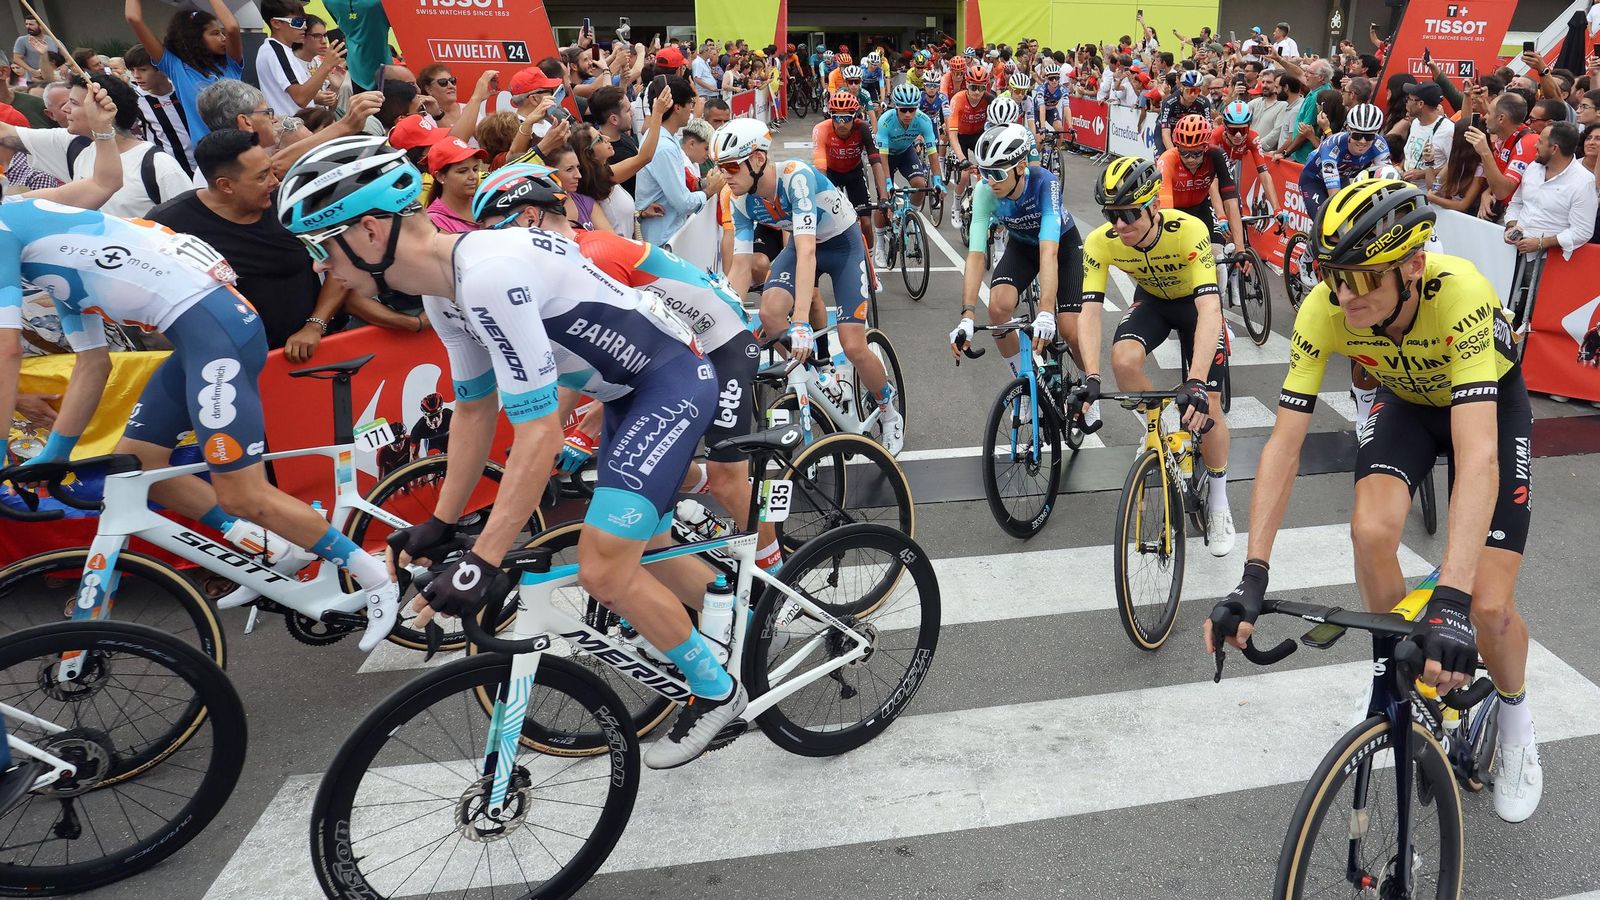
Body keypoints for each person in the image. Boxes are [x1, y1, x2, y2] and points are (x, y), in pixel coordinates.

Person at [279, 136, 741, 769]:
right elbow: (474, 409)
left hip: (670, 379)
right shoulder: (444, 289)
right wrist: (442, 522)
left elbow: (539, 434)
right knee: (649, 553)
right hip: (623, 392)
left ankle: (717, 692)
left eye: (319, 247)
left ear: (368, 232)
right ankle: (744, 620)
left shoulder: (489, 275)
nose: (317, 267)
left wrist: (483, 559)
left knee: (604, 569)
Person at [1207, 179, 1541, 824]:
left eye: (1363, 280)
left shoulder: (1461, 293)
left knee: (1489, 606)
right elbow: (1284, 445)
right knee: (1369, 531)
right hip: (1406, 404)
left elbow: (1478, 457)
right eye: (1334, 277)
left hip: (1488, 410)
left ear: (1412, 267)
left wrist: (1453, 603)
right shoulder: (1324, 309)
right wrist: (1253, 573)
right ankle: (1397, 671)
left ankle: (1518, 725)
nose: (1345, 296)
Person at [473, 163, 779, 571]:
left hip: (721, 341)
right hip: (677, 349)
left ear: (530, 218)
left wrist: (580, 430)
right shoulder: (559, 262)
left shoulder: (591, 257)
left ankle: (778, 573)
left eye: (496, 235)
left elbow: (632, 355)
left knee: (728, 479)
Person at [715, 118, 906, 455]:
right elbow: (741, 267)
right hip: (804, 245)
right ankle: (818, 380)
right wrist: (723, 316)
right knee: (770, 314)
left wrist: (801, 322)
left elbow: (807, 252)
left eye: (730, 166)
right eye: (720, 167)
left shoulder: (796, 177)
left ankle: (889, 411)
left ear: (757, 159)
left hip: (843, 246)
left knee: (853, 345)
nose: (724, 176)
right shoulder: (740, 199)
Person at [1079, 157, 1236, 555]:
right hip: (1153, 303)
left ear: (1153, 206)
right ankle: (1161, 430)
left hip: (1195, 307)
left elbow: (1209, 310)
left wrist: (1196, 381)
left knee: (1208, 405)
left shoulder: (1189, 231)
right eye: (1111, 214)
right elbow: (1090, 311)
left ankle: (1220, 503)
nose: (1119, 224)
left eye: (1129, 213)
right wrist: (1091, 376)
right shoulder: (1101, 241)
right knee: (1122, 360)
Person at [148, 128, 340, 359]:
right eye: (261, 177)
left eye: (271, 170)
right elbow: (153, 298)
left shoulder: (290, 201)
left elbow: (340, 265)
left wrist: (315, 325)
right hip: (235, 363)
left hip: (316, 348)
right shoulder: (168, 224)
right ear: (225, 185)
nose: (275, 181)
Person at [948, 124, 1089, 420]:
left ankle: (1089, 386)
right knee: (998, 308)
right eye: (984, 172)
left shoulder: (1044, 183)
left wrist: (1046, 311)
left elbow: (1049, 251)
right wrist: (967, 315)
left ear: (1021, 167)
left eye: (997, 174)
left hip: (1061, 246)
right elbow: (976, 255)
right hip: (1022, 247)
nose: (989, 181)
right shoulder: (985, 191)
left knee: (1069, 328)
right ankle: (1025, 384)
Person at [0, 73, 192, 219]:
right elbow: (5, 133)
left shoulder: (158, 165)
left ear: (106, 110)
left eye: (73, 103)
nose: (65, 109)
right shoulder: (73, 145)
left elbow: (190, 226)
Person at [124, 0, 244, 144]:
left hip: (247, 145)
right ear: (195, 38)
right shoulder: (175, 67)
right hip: (210, 152)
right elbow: (134, 18)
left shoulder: (230, 63)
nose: (223, 38)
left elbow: (232, 28)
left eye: (222, 33)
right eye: (215, 33)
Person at [635, 77, 721, 245]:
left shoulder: (664, 137)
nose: (692, 109)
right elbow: (683, 203)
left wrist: (704, 184)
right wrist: (710, 190)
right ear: (677, 107)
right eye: (690, 103)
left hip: (667, 236)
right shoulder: (664, 146)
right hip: (664, 240)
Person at [813, 90, 888, 264]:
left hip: (854, 173)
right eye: (836, 118)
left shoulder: (863, 128)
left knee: (866, 223)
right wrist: (827, 199)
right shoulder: (821, 130)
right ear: (830, 116)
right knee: (828, 222)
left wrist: (884, 197)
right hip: (830, 174)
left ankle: (869, 265)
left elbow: (876, 163)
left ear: (855, 117)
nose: (841, 123)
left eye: (846, 118)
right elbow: (821, 172)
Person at [1504, 122, 1596, 255]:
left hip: (1550, 259)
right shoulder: (1533, 167)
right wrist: (1512, 227)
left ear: (1554, 149)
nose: (1535, 145)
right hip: (1512, 253)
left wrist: (1542, 243)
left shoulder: (1584, 182)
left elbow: (1582, 231)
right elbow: (1517, 203)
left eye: (1540, 142)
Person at [874, 84, 944, 255]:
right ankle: (880, 245)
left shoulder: (923, 120)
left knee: (920, 184)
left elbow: (932, 153)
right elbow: (882, 157)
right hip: (886, 157)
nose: (907, 114)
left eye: (911, 110)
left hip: (906, 153)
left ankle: (910, 217)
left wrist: (938, 181)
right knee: (884, 201)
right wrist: (888, 183)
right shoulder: (885, 121)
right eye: (903, 110)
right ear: (896, 108)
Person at [1159, 114, 1245, 252]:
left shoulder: (1216, 155)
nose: (1190, 159)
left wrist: (1240, 249)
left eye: (1196, 153)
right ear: (1177, 146)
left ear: (1205, 147)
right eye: (1184, 152)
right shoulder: (1167, 160)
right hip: (1175, 210)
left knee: (1217, 250)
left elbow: (1231, 201)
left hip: (1202, 207)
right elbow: (1166, 211)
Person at [1298, 103, 1391, 222]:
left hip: (1342, 179)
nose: (1362, 141)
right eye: (1357, 135)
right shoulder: (1333, 145)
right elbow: (1334, 196)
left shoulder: (1379, 145)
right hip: (1313, 181)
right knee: (1326, 221)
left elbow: (1387, 179)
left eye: (1369, 136)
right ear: (1348, 131)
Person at [255, 0, 344, 120]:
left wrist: (334, 87)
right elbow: (301, 98)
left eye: (304, 22)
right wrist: (326, 65)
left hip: (299, 124)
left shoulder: (283, 51)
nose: (304, 27)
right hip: (290, 127)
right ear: (276, 23)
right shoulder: (275, 50)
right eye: (297, 22)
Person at [123, 44, 195, 177]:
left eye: (143, 69)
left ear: (161, 67)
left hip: (202, 166)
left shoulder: (184, 88)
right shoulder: (135, 99)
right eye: (132, 70)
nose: (136, 76)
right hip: (169, 172)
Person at [1465, 92, 1538, 221]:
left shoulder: (1527, 143)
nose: (1485, 117)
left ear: (1501, 119)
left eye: (1489, 113)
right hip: (1505, 207)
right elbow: (1500, 178)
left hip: (1521, 216)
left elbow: (1502, 192)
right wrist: (1487, 192)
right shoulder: (1504, 138)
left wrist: (1485, 153)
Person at [1213, 101, 1286, 222]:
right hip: (1208, 179)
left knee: (1235, 215)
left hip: (1225, 177)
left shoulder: (1252, 138)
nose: (1238, 135)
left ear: (1249, 125)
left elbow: (1264, 175)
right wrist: (1221, 215)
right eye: (1233, 130)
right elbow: (1212, 180)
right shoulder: (1215, 137)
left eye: (1243, 130)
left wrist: (1277, 209)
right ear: (1224, 126)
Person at [1392, 82, 1454, 190]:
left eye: (1409, 99)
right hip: (1407, 189)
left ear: (1420, 104)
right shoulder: (1415, 123)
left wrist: (1422, 174)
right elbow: (1411, 154)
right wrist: (1401, 167)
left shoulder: (1448, 130)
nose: (1406, 102)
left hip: (1430, 194)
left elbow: (1454, 167)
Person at [947, 64, 992, 207]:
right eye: (973, 87)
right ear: (967, 85)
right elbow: (952, 136)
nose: (977, 92)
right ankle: (956, 204)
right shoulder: (958, 99)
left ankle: (980, 200)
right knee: (965, 175)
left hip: (978, 136)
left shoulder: (989, 100)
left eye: (981, 88)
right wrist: (962, 160)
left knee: (985, 172)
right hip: (960, 137)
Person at [423, 137, 486, 233]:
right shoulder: (434, 221)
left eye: (475, 169)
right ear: (440, 177)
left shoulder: (484, 203)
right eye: (462, 171)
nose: (473, 176)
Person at [1157, 70, 1211, 153]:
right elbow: (1165, 133)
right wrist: (1174, 154)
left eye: (1196, 91)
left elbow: (1209, 131)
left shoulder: (1204, 102)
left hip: (1189, 135)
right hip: (1169, 132)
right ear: (1181, 88)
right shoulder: (1169, 102)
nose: (1193, 95)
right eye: (1189, 91)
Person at [10, 15, 62, 86]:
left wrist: (65, 66)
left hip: (54, 78)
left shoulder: (53, 40)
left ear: (41, 26)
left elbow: (67, 57)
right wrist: (31, 70)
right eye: (26, 24)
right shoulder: (22, 40)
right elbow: (16, 58)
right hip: (35, 80)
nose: (28, 26)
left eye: (31, 24)